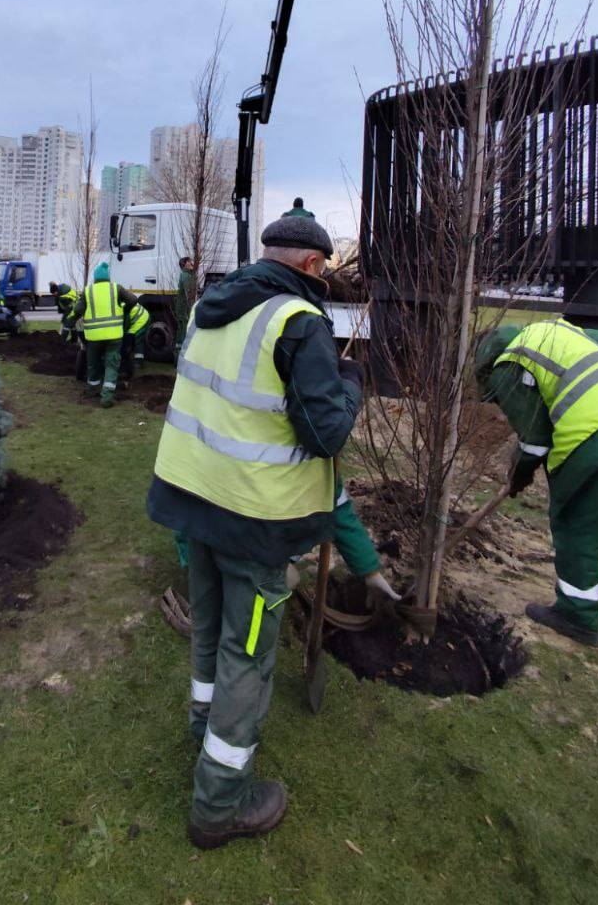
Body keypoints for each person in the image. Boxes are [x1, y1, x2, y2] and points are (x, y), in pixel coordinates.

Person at [147, 212, 398, 849]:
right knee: (247, 655)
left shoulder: (215, 304)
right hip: (254, 523)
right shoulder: (298, 323)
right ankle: (220, 803)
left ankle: (203, 730)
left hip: (195, 501)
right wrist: (351, 381)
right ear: (312, 265)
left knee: (210, 629)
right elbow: (325, 434)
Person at [475, 318, 598, 652]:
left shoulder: (505, 364)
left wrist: (518, 476)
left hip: (596, 430)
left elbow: (535, 441)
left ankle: (577, 614)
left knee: (578, 522)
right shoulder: (556, 329)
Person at [70, 263, 138, 408]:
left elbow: (77, 310)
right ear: (107, 277)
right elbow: (133, 300)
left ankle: (91, 390)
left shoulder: (88, 291)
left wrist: (71, 322)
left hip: (93, 337)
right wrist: (124, 310)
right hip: (114, 336)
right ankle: (106, 397)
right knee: (111, 365)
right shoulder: (116, 288)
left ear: (95, 277)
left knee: (93, 364)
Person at [121, 300, 151, 384]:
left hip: (141, 320)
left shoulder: (122, 308)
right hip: (144, 316)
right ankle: (138, 361)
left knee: (135, 339)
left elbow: (125, 325)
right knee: (138, 341)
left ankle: (137, 363)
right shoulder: (122, 303)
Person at [174, 256, 196, 357]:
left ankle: (179, 357)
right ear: (185, 264)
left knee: (181, 333)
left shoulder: (188, 275)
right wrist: (192, 309)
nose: (191, 263)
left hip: (183, 310)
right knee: (182, 334)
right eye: (189, 261)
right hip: (184, 311)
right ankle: (180, 358)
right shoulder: (186, 276)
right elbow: (189, 295)